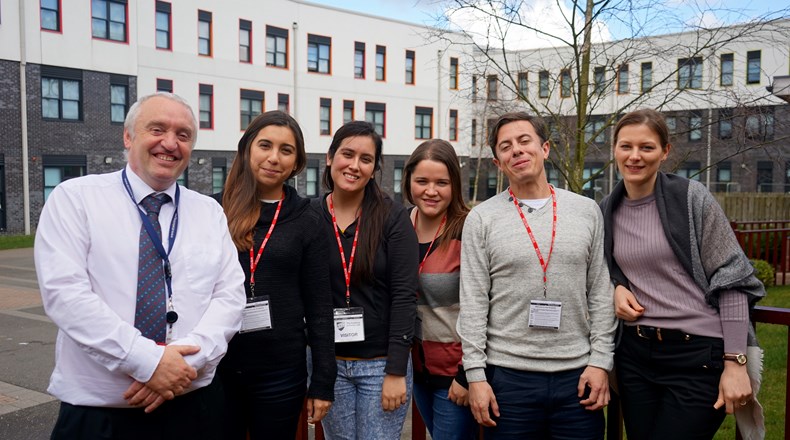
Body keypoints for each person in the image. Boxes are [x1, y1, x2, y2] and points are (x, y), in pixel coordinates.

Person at [35, 92, 246, 439]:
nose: (170, 143)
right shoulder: (75, 199)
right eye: (157, 129)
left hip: (194, 406)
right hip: (100, 413)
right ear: (128, 136)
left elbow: (230, 298)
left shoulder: (208, 212)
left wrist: (180, 366)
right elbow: (65, 295)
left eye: (183, 135)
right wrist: (148, 362)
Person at [599, 108, 766, 440]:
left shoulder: (691, 199)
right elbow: (599, 270)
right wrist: (615, 286)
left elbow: (730, 278)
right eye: (626, 146)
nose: (634, 156)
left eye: (646, 147)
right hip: (636, 356)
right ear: (614, 149)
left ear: (665, 152)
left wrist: (735, 362)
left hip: (698, 356)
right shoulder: (606, 210)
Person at [457, 112, 616, 439]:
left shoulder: (586, 211)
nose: (516, 150)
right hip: (509, 381)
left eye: (524, 141)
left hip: (578, 378)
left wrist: (600, 363)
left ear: (545, 148)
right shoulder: (482, 219)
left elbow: (601, 293)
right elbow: (472, 303)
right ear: (498, 162)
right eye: (505, 146)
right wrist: (475, 376)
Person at [213, 111, 336, 439]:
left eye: (286, 149)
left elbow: (320, 305)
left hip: (280, 372)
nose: (273, 157)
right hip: (217, 369)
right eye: (265, 145)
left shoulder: (308, 218)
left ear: (297, 162)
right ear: (247, 149)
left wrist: (323, 382)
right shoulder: (212, 211)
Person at [313, 121, 419, 439]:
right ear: (330, 157)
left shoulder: (391, 217)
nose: (355, 166)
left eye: (366, 159)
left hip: (380, 364)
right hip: (329, 363)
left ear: (374, 169)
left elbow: (404, 295)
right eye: (347, 154)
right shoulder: (310, 216)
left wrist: (397, 370)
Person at [403, 139, 476, 440]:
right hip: (416, 373)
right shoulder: (399, 225)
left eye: (441, 183)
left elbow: (483, 308)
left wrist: (467, 375)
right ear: (408, 181)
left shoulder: (468, 229)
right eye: (422, 181)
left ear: (454, 185)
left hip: (455, 376)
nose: (431, 191)